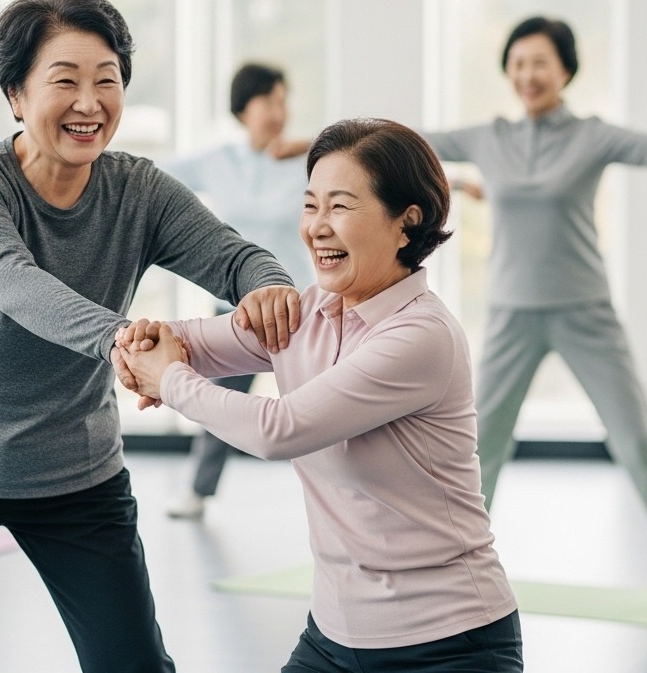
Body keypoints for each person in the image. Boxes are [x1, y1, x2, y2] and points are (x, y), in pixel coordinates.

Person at [0, 0, 300, 673]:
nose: (90, 103)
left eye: (107, 81)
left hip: (74, 472)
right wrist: (125, 339)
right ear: (17, 96)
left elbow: (235, 257)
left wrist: (269, 289)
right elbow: (15, 283)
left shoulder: (138, 191)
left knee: (135, 665)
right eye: (65, 81)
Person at [118, 118, 523, 672]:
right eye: (310, 206)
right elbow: (187, 341)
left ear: (408, 223)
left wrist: (165, 378)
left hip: (448, 643)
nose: (317, 228)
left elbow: (278, 430)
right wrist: (146, 344)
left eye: (340, 207)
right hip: (332, 639)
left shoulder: (422, 335)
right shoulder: (305, 314)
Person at [418, 16, 647, 606]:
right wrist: (319, 142)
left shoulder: (590, 136)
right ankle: (449, 566)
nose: (528, 75)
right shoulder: (487, 138)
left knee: (635, 440)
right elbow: (402, 139)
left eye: (540, 62)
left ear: (565, 70)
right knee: (480, 446)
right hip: (511, 317)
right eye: (517, 64)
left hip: (584, 314)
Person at [159, 62, 316, 520]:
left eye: (284, 100)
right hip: (238, 308)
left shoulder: (307, 160)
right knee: (217, 407)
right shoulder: (218, 162)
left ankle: (344, 498)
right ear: (243, 108)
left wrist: (317, 146)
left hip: (301, 307)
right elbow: (146, 174)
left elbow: (366, 157)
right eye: (269, 100)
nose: (279, 111)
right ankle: (198, 491)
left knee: (322, 409)